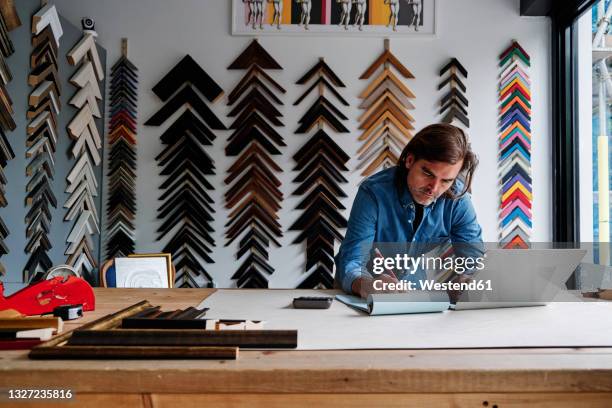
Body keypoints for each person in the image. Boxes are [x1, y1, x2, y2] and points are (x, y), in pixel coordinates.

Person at [335, 123, 483, 298]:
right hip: (361, 293)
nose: (434, 188)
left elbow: (473, 258)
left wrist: (468, 280)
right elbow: (353, 260)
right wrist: (364, 285)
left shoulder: (458, 199)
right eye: (428, 174)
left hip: (415, 294)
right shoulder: (374, 192)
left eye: (446, 180)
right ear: (410, 160)